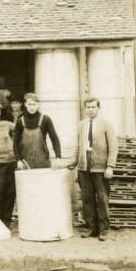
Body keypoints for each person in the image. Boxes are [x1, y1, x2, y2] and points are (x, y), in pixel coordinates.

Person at [68, 97, 118, 241]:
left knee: (102, 199)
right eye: (88, 107)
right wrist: (75, 162)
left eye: (93, 107)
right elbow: (77, 145)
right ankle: (91, 228)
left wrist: (110, 166)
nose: (90, 110)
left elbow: (113, 147)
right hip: (84, 168)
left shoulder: (106, 125)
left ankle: (104, 229)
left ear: (98, 108)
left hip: (100, 169)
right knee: (87, 199)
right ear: (85, 109)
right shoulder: (80, 125)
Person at [14, 92, 62, 169]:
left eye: (34, 104)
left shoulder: (46, 119)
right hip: (25, 163)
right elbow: (15, 143)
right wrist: (18, 160)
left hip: (42, 161)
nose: (31, 107)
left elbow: (54, 139)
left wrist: (58, 156)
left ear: (38, 105)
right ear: (25, 105)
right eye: (29, 104)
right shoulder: (20, 121)